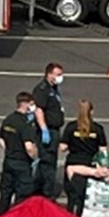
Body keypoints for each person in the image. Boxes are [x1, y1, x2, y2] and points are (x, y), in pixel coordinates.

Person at [61, 100, 108, 216]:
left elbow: (63, 147)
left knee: (72, 196)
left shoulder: (71, 127)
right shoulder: (98, 129)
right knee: (85, 195)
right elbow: (103, 151)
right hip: (89, 164)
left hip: (73, 164)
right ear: (91, 112)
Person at [0, 91, 39, 215]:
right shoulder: (25, 124)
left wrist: (9, 150)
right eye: (32, 104)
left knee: (5, 193)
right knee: (22, 195)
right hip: (22, 163)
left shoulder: (9, 119)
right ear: (25, 104)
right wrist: (34, 157)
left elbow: (1, 138)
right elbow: (29, 147)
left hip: (9, 160)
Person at [31, 62, 66, 199]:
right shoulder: (42, 90)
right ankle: (46, 193)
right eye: (58, 74)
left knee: (50, 160)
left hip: (54, 129)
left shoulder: (53, 88)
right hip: (48, 130)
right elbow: (39, 110)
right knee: (48, 163)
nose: (60, 77)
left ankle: (40, 189)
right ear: (49, 74)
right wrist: (44, 129)